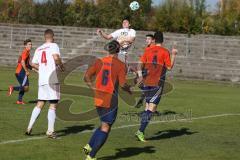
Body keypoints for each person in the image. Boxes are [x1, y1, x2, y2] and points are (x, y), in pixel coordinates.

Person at [82, 40, 132, 160]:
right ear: (118, 50)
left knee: (104, 123)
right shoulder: (120, 65)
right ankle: (91, 156)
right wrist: (130, 88)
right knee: (106, 127)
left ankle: (88, 146)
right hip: (110, 100)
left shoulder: (99, 61)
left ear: (108, 49)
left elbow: (86, 77)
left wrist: (92, 87)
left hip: (98, 98)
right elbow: (123, 84)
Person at [135, 31, 178, 142]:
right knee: (152, 108)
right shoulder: (165, 51)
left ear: (154, 39)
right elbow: (169, 67)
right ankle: (140, 131)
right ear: (162, 40)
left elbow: (140, 63)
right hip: (156, 83)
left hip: (146, 81)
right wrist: (173, 54)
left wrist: (140, 76)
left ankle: (141, 130)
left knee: (148, 105)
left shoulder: (148, 50)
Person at [25, 29, 64, 139]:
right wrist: (61, 66)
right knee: (53, 104)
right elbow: (56, 58)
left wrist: (42, 69)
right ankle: (50, 132)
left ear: (44, 37)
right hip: (52, 79)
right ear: (53, 37)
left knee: (40, 103)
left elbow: (32, 63)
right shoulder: (54, 45)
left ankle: (29, 127)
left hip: (42, 80)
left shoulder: (39, 48)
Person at [8, 39, 32, 104]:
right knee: (26, 87)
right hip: (21, 71)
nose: (30, 46)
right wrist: (26, 71)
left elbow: (27, 64)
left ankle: (19, 100)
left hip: (18, 72)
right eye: (29, 44)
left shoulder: (27, 53)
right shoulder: (25, 52)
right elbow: (22, 61)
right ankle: (13, 88)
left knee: (23, 86)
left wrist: (35, 69)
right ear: (25, 45)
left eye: (31, 44)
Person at [134, 34, 155, 108]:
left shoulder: (154, 49)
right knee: (137, 81)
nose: (147, 40)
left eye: (148, 39)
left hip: (150, 70)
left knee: (142, 83)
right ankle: (144, 95)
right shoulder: (147, 48)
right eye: (146, 39)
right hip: (145, 69)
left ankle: (145, 98)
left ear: (153, 40)